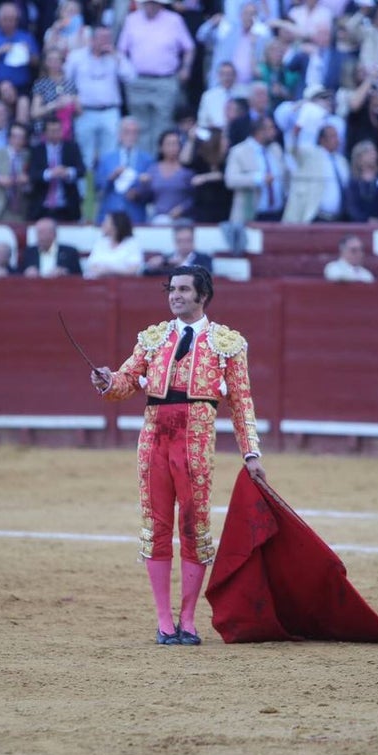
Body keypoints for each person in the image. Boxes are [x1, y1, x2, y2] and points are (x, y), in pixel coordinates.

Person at [89, 265, 264, 646]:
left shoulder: (227, 342)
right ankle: (164, 620)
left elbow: (241, 401)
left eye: (184, 289)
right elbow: (125, 382)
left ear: (203, 296)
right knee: (156, 526)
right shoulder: (153, 338)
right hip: (154, 439)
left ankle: (188, 617)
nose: (175, 295)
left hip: (195, 442)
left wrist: (250, 452)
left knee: (194, 526)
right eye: (172, 289)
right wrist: (107, 381)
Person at [117, 0, 196, 156]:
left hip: (165, 80)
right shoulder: (131, 19)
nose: (150, 6)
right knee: (140, 126)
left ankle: (160, 164)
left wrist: (185, 68)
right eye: (147, 3)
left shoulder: (174, 20)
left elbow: (189, 48)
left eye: (153, 3)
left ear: (160, 4)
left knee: (163, 125)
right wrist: (126, 73)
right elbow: (121, 51)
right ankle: (143, 164)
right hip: (137, 81)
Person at [65, 26, 132, 175]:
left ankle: (104, 192)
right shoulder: (76, 57)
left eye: (108, 38)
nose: (105, 42)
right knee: (84, 154)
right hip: (84, 112)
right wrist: (74, 101)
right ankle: (84, 194)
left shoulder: (116, 57)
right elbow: (66, 83)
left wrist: (116, 57)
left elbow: (130, 77)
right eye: (102, 38)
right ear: (92, 39)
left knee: (109, 155)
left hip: (110, 112)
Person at [283, 122, 350, 223]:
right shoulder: (312, 155)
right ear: (322, 139)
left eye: (337, 136)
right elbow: (293, 150)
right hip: (317, 217)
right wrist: (295, 135)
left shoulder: (342, 161)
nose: (337, 140)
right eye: (333, 136)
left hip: (339, 218)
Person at [225, 115, 287, 224]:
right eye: (271, 128)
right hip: (251, 216)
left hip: (277, 215)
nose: (274, 132)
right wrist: (259, 178)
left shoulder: (276, 149)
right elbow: (231, 180)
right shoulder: (239, 151)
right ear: (259, 131)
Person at [28, 116, 85, 222]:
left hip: (67, 209)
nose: (55, 134)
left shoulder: (72, 147)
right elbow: (32, 174)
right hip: (42, 209)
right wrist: (50, 174)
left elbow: (81, 170)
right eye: (52, 131)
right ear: (45, 133)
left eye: (58, 130)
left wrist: (67, 172)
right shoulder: (37, 150)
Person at [142, 129, 195, 224]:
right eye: (168, 144)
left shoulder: (187, 170)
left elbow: (195, 196)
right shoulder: (153, 169)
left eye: (175, 144)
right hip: (159, 220)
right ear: (161, 147)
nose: (172, 148)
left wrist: (183, 208)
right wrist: (144, 184)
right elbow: (147, 197)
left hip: (183, 221)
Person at [83, 210, 143, 278]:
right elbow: (91, 266)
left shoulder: (132, 243)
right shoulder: (101, 242)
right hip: (98, 283)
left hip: (124, 284)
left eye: (106, 222)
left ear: (116, 225)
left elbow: (134, 269)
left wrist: (108, 270)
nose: (103, 224)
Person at [17, 217, 82, 277]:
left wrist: (64, 272)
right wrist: (27, 272)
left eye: (44, 232)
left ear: (54, 234)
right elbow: (17, 275)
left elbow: (79, 275)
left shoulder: (69, 252)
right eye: (39, 233)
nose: (40, 237)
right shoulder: (29, 252)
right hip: (35, 288)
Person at [143, 222, 213, 276]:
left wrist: (181, 265)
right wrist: (151, 267)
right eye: (180, 241)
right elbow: (147, 275)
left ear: (193, 240)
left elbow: (206, 277)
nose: (184, 244)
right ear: (175, 241)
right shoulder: (165, 260)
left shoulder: (205, 259)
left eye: (188, 240)